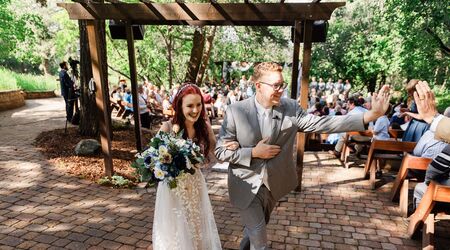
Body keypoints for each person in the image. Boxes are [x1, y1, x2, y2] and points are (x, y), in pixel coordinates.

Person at [215, 62, 391, 250]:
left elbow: (323, 123)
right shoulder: (236, 111)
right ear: (258, 86)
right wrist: (253, 152)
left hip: (274, 183)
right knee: (260, 241)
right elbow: (220, 151)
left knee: (256, 230)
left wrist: (370, 115)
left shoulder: (290, 108)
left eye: (282, 84)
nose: (281, 90)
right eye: (276, 85)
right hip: (246, 185)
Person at [152, 83, 237, 250]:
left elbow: (216, 153)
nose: (195, 110)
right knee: (175, 228)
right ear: (179, 106)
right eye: (189, 105)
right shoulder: (168, 127)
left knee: (196, 227)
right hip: (173, 187)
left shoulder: (204, 127)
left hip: (195, 184)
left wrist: (229, 147)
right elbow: (155, 158)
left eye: (199, 105)